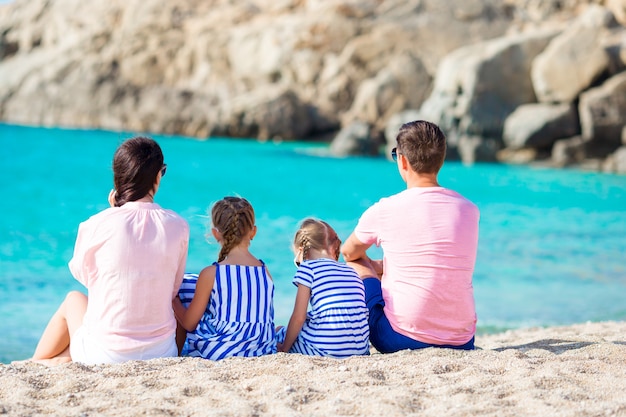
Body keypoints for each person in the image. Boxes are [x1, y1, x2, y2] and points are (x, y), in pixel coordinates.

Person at [28, 136, 190, 365]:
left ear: (119, 179)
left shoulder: (96, 224)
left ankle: (37, 362)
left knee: (73, 299)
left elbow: (87, 277)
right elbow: (173, 287)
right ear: (157, 175)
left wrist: (114, 213)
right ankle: (62, 358)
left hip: (105, 354)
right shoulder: (179, 225)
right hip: (161, 353)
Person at [341, 120, 480, 353]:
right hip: (462, 340)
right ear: (441, 160)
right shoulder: (468, 209)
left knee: (355, 262)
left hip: (399, 338)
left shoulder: (385, 209)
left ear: (403, 161)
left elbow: (348, 251)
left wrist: (374, 268)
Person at [173, 196, 276, 360]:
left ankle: (175, 353)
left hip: (222, 349)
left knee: (186, 285)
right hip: (260, 349)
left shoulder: (211, 273)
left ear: (215, 233)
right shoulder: (265, 271)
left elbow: (189, 323)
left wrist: (173, 297)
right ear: (253, 232)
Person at [275, 218, 369, 358]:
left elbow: (298, 317)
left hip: (326, 348)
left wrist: (285, 348)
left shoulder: (308, 268)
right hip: (360, 349)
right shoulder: (351, 271)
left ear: (302, 251)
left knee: (279, 331)